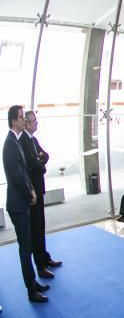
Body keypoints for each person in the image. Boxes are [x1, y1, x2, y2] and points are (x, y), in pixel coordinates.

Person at [3, 105, 49, 303]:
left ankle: (33, 282)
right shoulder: (11, 143)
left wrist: (30, 188)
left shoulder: (15, 141)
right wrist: (29, 192)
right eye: (22, 117)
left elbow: (24, 171)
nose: (24, 120)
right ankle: (31, 289)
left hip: (22, 202)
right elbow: (18, 174)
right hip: (18, 204)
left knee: (28, 245)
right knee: (25, 247)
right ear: (14, 121)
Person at [21, 111, 61, 277]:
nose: (36, 124)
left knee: (41, 226)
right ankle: (40, 265)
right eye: (33, 121)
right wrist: (40, 161)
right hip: (32, 192)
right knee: (35, 228)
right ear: (26, 123)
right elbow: (35, 164)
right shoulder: (23, 141)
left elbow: (46, 156)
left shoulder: (33, 140)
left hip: (39, 189)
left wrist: (40, 160)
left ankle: (44, 257)